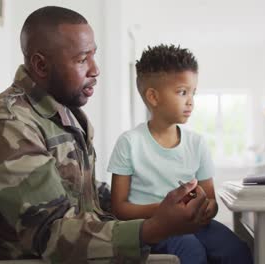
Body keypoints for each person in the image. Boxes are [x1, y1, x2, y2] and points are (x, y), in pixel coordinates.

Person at [0, 6, 211, 263]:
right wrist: (155, 226)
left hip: (84, 245)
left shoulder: (64, 112)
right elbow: (51, 234)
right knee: (187, 247)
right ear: (41, 65)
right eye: (81, 60)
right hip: (50, 256)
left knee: (202, 244)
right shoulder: (10, 126)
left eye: (93, 56)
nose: (95, 70)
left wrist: (160, 204)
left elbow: (85, 192)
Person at [107, 44, 253, 264]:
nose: (191, 101)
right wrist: (166, 211)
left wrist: (205, 209)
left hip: (195, 224)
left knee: (236, 251)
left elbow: (211, 199)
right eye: (182, 92)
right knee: (191, 251)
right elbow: (119, 208)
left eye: (193, 92)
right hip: (154, 227)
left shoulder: (197, 143)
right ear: (153, 97)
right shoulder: (129, 142)